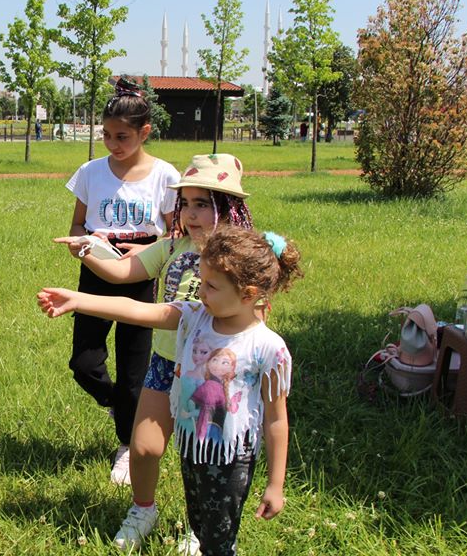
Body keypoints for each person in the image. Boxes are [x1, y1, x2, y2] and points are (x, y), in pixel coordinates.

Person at [38, 225, 302, 556]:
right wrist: (78, 300)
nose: (200, 292)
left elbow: (276, 420)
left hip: (231, 459)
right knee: (201, 524)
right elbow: (137, 310)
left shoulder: (268, 348)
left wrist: (275, 484)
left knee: (218, 542)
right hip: (191, 450)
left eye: (211, 286)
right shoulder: (194, 317)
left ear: (248, 295)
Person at [56, 153, 254, 550]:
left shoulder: (238, 260)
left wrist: (81, 300)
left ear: (227, 207)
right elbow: (125, 272)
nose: (191, 213)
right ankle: (143, 510)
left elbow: (178, 314)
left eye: (203, 204)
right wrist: (87, 250)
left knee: (202, 458)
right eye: (186, 203)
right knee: (144, 446)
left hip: (213, 374)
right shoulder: (173, 245)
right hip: (166, 364)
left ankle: (201, 529)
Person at [60, 77, 180, 485]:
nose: (113, 144)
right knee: (83, 363)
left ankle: (127, 445)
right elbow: (78, 224)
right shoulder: (91, 172)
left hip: (141, 274)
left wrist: (147, 252)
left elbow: (175, 233)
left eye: (122, 136)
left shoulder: (165, 176)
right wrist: (81, 245)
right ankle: (118, 404)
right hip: (95, 268)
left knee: (134, 372)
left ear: (145, 132)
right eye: (107, 135)